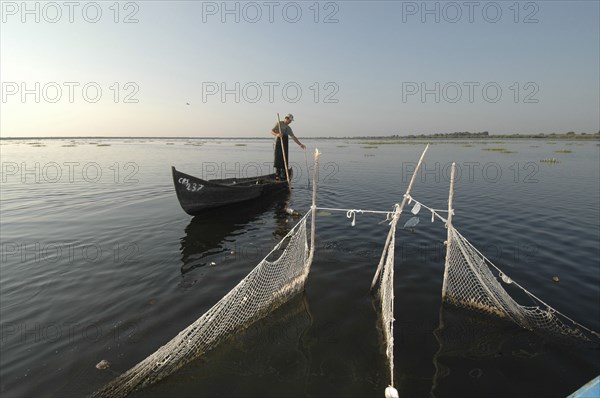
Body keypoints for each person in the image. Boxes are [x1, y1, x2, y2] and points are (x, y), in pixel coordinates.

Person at [271, 113, 305, 180]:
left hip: (285, 143)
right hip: (278, 143)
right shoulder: (279, 123)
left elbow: (293, 137)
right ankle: (277, 175)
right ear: (286, 118)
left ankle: (283, 174)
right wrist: (277, 134)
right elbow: (272, 131)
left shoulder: (288, 128)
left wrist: (300, 144)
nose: (290, 122)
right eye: (289, 120)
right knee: (278, 158)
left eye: (291, 121)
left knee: (285, 158)